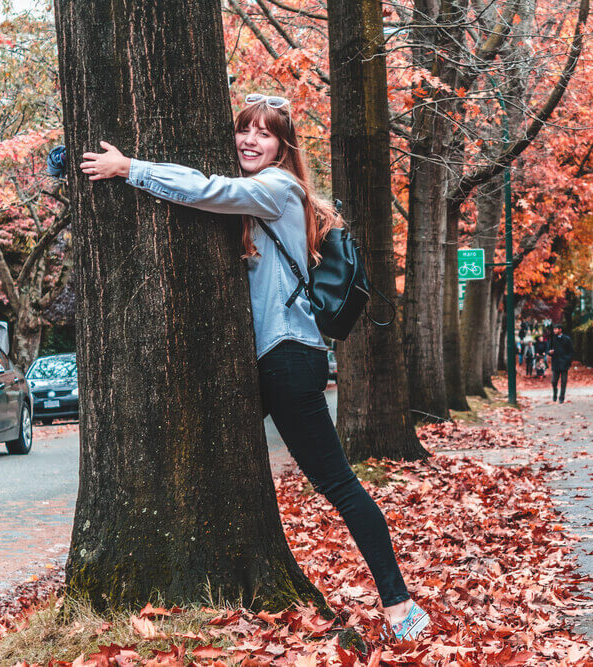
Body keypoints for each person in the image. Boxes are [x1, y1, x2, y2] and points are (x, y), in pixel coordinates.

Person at [79, 93, 430, 641]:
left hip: (290, 358)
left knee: (337, 483)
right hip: (275, 357)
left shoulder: (279, 189)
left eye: (264, 133)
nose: (249, 140)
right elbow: (209, 187)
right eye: (244, 129)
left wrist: (130, 168)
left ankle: (401, 605)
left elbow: (208, 189)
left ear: (284, 147)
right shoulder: (264, 199)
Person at [548, 324, 574, 403]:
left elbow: (571, 351)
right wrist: (550, 352)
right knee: (553, 381)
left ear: (560, 330)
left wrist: (568, 360)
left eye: (555, 329)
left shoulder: (567, 339)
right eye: (554, 329)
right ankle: (555, 394)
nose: (554, 331)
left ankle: (561, 397)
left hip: (564, 363)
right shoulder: (553, 339)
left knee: (563, 381)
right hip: (555, 363)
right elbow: (549, 349)